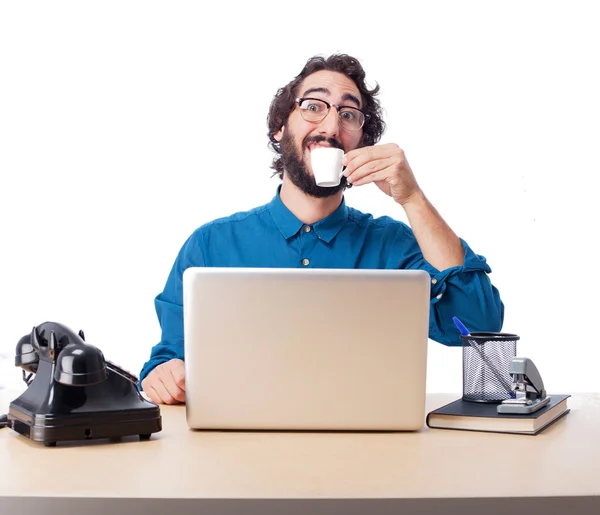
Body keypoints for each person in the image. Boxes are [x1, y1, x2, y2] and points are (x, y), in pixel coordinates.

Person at [139, 54, 504, 405]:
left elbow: (478, 324)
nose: (331, 127)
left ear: (359, 143)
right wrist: (164, 375)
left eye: (348, 114)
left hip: (373, 454)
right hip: (239, 454)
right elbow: (169, 359)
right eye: (314, 106)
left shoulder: (395, 246)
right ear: (280, 127)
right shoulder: (210, 245)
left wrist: (412, 198)